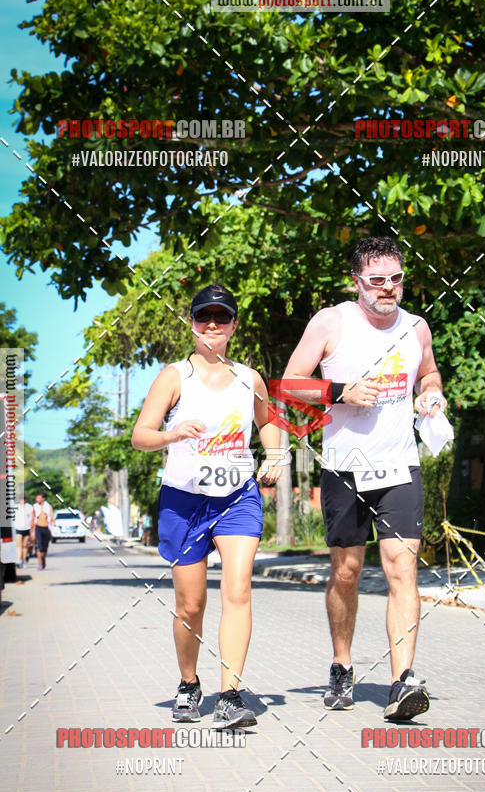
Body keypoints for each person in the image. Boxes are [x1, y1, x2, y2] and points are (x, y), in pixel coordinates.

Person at [283, 236, 447, 721]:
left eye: (396, 278)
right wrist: (340, 392)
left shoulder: (416, 327)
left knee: (402, 568)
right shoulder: (332, 322)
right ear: (357, 281)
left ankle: (403, 681)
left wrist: (431, 395)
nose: (388, 288)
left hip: (399, 465)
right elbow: (289, 384)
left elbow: (430, 374)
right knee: (347, 572)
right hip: (344, 465)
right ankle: (341, 665)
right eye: (377, 280)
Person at [132, 285, 282, 729]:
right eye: (204, 318)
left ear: (235, 325)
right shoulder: (174, 376)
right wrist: (170, 435)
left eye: (222, 317)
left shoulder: (248, 378)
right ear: (192, 323)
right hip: (184, 500)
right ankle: (189, 683)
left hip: (237, 496)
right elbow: (141, 435)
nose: (212, 325)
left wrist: (273, 456)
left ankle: (231, 696)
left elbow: (268, 421)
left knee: (237, 591)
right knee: (191, 605)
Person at [31, 491, 55, 570]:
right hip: (38, 528)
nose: (37, 499)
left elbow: (52, 516)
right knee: (38, 547)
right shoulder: (34, 506)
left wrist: (53, 521)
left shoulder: (48, 506)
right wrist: (32, 531)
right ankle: (40, 563)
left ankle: (43, 559)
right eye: (37, 498)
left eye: (39, 498)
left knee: (45, 548)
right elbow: (32, 519)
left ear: (43, 499)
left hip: (46, 528)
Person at [15, 496, 33, 566]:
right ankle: (18, 559)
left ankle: (23, 560)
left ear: (25, 500)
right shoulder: (16, 507)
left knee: (25, 546)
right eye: (21, 499)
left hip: (27, 528)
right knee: (18, 545)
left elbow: (32, 517)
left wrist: (32, 528)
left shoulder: (29, 507)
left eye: (23, 499)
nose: (22, 501)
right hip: (18, 528)